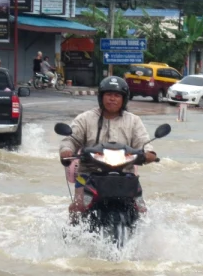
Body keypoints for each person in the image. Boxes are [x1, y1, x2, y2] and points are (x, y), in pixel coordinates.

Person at [60, 76, 156, 208]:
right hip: (89, 174)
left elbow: (143, 141)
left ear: (124, 99)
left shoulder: (134, 121)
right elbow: (71, 139)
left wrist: (149, 153)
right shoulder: (85, 118)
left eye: (117, 95)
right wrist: (66, 150)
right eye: (109, 94)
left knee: (141, 209)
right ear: (101, 97)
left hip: (125, 175)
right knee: (78, 207)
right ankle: (74, 222)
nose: (112, 99)